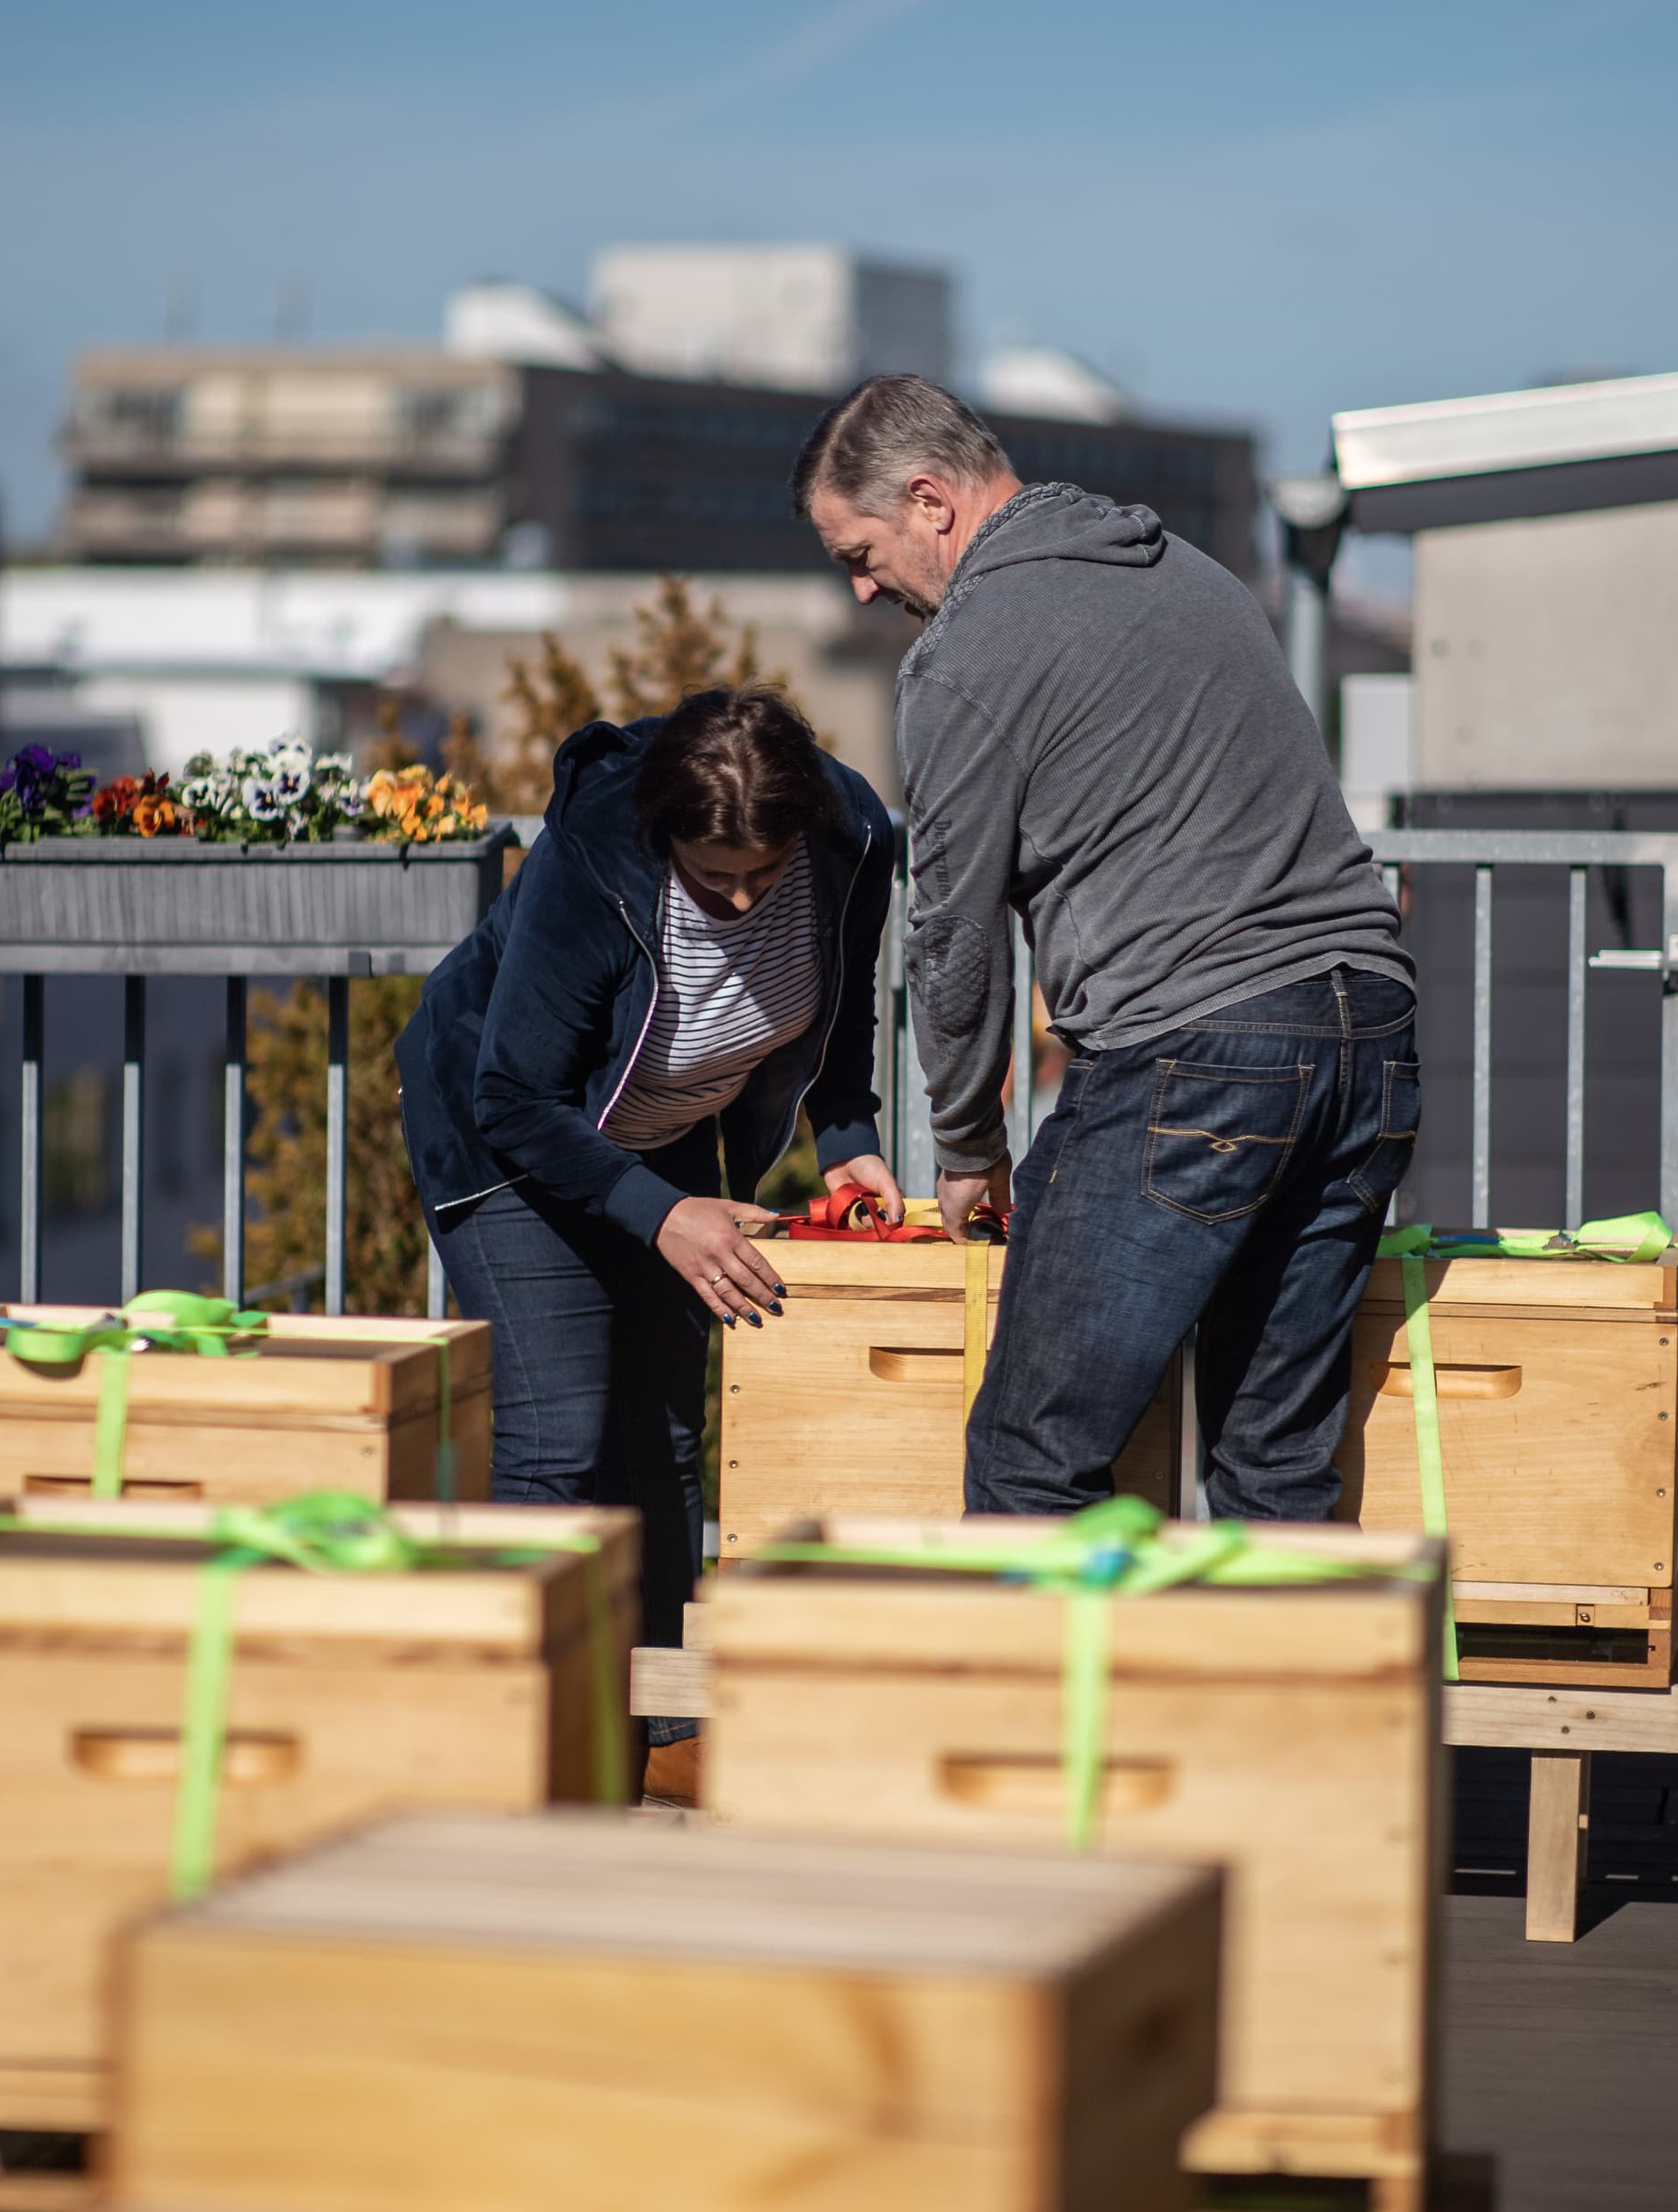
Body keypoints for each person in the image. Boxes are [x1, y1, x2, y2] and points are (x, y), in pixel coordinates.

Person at [794, 375, 1416, 1523]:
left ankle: (1053, 1712)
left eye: (862, 549)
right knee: (1273, 1469)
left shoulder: (966, 655)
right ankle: (1291, 1704)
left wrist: (969, 1144)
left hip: (1199, 1053)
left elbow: (953, 929)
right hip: (1367, 1036)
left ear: (930, 499)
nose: (862, 585)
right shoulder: (1191, 572)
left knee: (1033, 1461)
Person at [398, 685, 897, 1782]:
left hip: (661, 1130)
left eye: (766, 873)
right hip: (510, 1138)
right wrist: (661, 1213)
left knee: (667, 1431)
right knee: (558, 1436)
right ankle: (520, 1751)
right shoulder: (593, 863)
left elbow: (846, 1005)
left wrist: (846, 1127)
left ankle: (656, 1744)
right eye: (714, 877)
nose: (743, 897)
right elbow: (516, 1096)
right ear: (664, 833)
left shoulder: (853, 836)